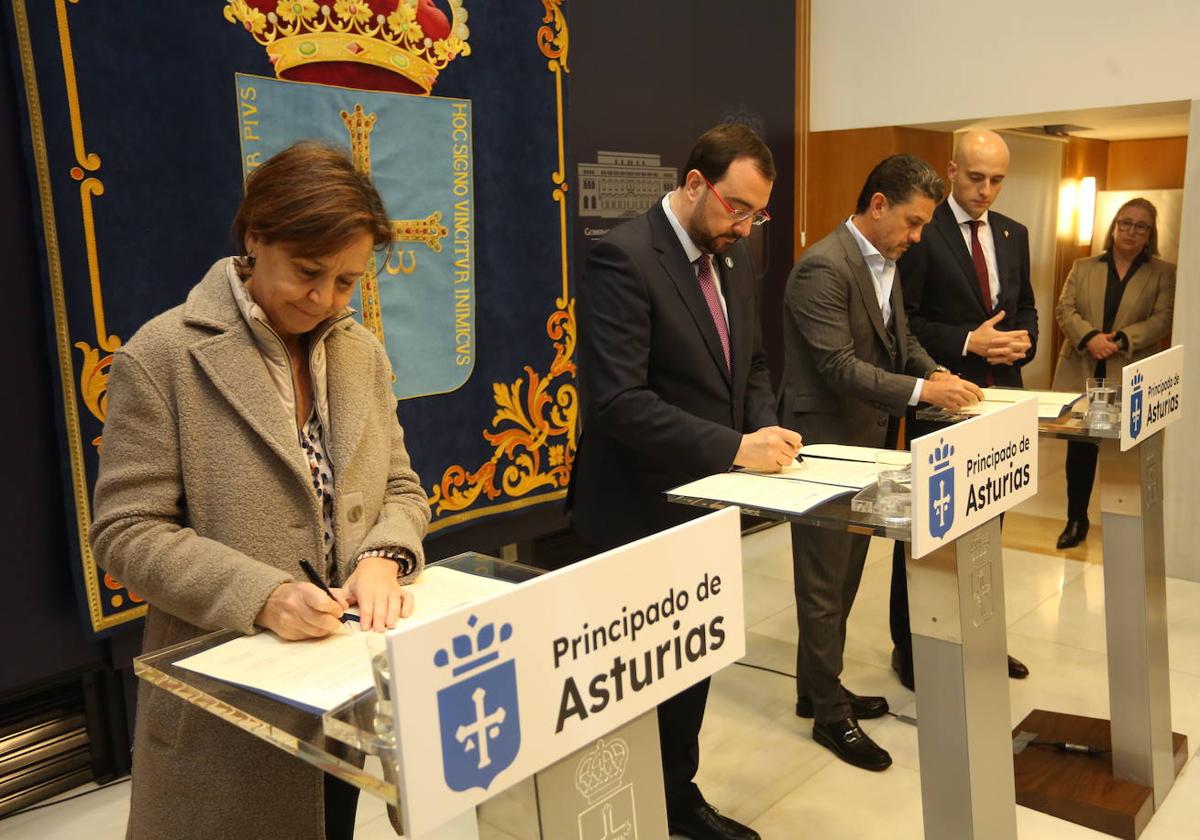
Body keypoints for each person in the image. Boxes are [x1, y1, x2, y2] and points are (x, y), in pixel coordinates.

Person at [91, 142, 431, 840]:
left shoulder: (359, 351)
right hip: (230, 700)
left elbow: (401, 486)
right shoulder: (162, 358)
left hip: (344, 691)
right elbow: (126, 532)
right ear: (255, 238)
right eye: (308, 273)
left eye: (346, 281)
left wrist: (384, 558)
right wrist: (264, 595)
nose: (323, 299)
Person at [570, 123, 799, 840]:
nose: (746, 225)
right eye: (737, 207)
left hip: (707, 504)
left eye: (757, 214)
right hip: (634, 510)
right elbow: (617, 403)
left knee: (691, 660)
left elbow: (751, 367)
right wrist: (736, 447)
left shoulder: (730, 259)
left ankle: (676, 794)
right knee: (636, 675)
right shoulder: (625, 258)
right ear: (694, 183)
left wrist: (766, 431)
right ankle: (624, 804)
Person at [777, 154, 982, 772]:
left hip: (865, 440)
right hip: (825, 443)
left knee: (843, 578)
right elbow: (839, 366)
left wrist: (933, 370)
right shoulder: (822, 266)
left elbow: (901, 340)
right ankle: (828, 717)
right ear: (877, 205)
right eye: (914, 223)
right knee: (822, 583)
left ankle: (816, 691)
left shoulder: (884, 263)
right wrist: (922, 394)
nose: (918, 238)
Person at [889, 129, 1036, 690]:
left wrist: (1024, 342)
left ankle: (980, 637)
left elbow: (1026, 311)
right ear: (952, 170)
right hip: (942, 396)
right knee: (928, 529)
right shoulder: (923, 231)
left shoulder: (1012, 233)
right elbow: (908, 322)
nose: (986, 190)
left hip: (1002, 399)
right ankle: (910, 646)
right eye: (976, 177)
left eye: (997, 180)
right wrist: (968, 342)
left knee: (986, 530)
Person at [1051, 197, 1176, 548]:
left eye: (1140, 226)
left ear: (1150, 234)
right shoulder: (1084, 265)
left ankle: (1125, 524)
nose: (1131, 232)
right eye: (1125, 223)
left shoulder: (1163, 272)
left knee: (1126, 453)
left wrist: (1121, 340)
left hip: (1129, 371)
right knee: (1080, 450)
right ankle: (1076, 519)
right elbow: (1065, 308)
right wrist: (1090, 338)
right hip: (1083, 368)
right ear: (1114, 226)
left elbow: (1163, 318)